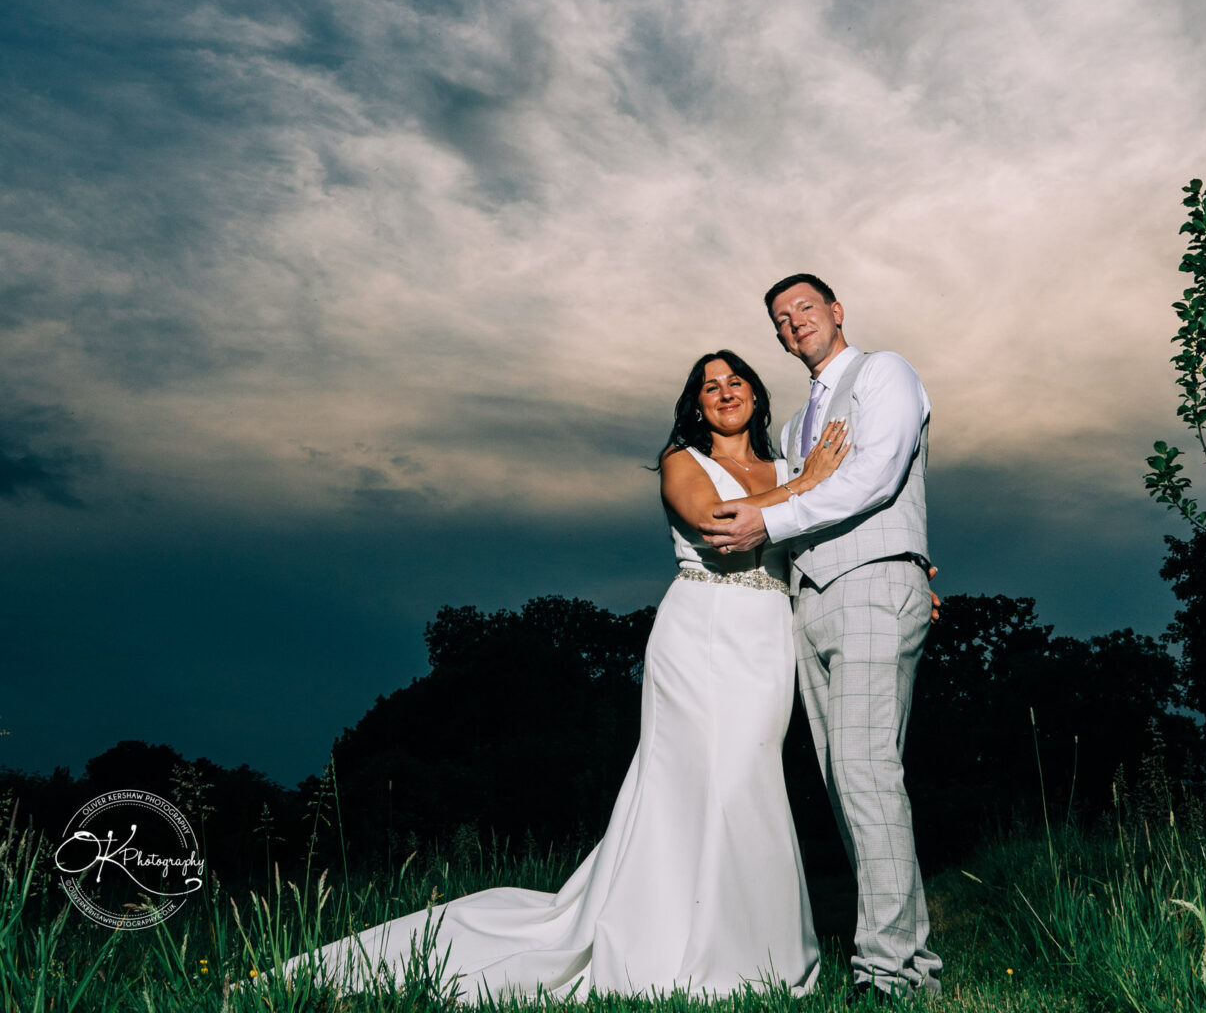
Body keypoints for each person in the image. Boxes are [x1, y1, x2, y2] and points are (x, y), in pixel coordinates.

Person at [279, 350, 850, 1003]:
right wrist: (811, 485)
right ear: (696, 405)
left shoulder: (788, 468)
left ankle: (759, 949)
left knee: (752, 776)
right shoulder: (684, 462)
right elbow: (716, 525)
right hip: (702, 630)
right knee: (696, 781)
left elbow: (819, 542)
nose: (724, 392)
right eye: (709, 385)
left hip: (769, 634)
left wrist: (904, 570)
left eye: (735, 380)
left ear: (755, 393)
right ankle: (676, 946)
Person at [701, 274, 942, 999]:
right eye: (781, 318)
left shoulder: (884, 373)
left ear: (836, 312)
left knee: (867, 772)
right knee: (847, 783)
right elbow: (807, 503)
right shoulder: (790, 430)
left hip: (871, 584)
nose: (794, 322)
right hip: (810, 602)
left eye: (805, 307)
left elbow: (877, 475)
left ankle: (890, 971)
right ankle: (904, 960)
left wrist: (901, 563)